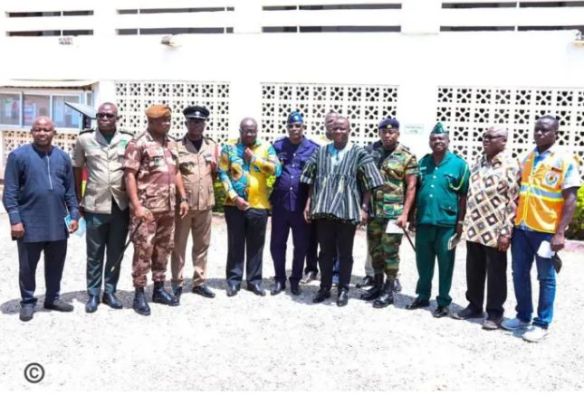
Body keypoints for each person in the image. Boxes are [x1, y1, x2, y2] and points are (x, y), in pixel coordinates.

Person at [501, 116, 581, 342]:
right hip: (522, 228)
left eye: (544, 130)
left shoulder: (564, 160)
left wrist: (560, 232)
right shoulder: (528, 157)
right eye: (536, 129)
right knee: (519, 273)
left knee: (546, 278)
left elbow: (571, 199)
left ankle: (542, 323)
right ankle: (523, 316)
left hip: (546, 231)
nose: (539, 133)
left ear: (556, 133)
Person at [3, 116, 79, 322]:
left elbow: (70, 191)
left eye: (46, 130)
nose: (42, 133)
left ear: (54, 132)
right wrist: (15, 220)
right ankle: (28, 302)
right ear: (32, 132)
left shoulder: (63, 157)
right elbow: (9, 192)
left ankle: (53, 298)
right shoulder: (18, 156)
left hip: (58, 222)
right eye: (38, 129)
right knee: (28, 266)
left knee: (56, 264)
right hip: (29, 223)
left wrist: (73, 215)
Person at [301, 116, 383, 307]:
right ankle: (324, 287)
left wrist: (364, 207)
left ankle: (343, 289)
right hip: (324, 210)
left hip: (348, 210)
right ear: (330, 130)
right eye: (336, 128)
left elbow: (370, 182)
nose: (338, 131)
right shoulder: (321, 151)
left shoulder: (359, 153)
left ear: (349, 130)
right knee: (325, 252)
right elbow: (310, 178)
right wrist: (309, 203)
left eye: (342, 128)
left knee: (345, 253)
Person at [452, 126, 520, 330]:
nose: (486, 140)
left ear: (504, 141)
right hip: (475, 227)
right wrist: (463, 222)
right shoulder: (479, 162)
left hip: (495, 230)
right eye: (485, 136)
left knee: (496, 272)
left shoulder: (511, 166)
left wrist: (506, 232)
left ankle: (495, 312)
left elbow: (513, 201)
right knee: (473, 268)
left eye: (492, 137)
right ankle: (474, 305)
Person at [124, 104, 189, 315]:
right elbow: (129, 175)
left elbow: (176, 171)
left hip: (168, 208)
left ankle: (159, 288)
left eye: (169, 120)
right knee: (143, 250)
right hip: (147, 210)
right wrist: (136, 206)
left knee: (164, 248)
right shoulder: (138, 143)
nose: (167, 123)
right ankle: (139, 293)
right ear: (151, 121)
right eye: (163, 120)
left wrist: (183, 198)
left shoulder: (171, 143)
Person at [73, 102, 133, 313]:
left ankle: (110, 291)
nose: (105, 118)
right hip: (95, 204)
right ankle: (93, 293)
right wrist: (78, 199)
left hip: (120, 204)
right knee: (94, 253)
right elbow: (77, 168)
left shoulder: (128, 139)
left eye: (109, 115)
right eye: (101, 115)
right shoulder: (84, 139)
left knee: (116, 252)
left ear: (117, 118)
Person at [407, 122, 469, 318]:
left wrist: (460, 223)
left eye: (441, 138)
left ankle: (443, 302)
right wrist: (411, 216)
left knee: (446, 264)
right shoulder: (423, 163)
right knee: (423, 262)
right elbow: (415, 190)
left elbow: (463, 196)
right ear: (429, 141)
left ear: (448, 141)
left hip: (447, 223)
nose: (437, 141)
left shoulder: (459, 165)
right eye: (434, 139)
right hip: (424, 221)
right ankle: (422, 296)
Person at [218, 117, 281, 297]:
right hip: (234, 205)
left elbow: (277, 170)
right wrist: (234, 196)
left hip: (258, 205)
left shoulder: (266, 148)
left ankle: (254, 282)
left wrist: (255, 160)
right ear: (240, 131)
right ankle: (234, 281)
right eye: (246, 131)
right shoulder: (229, 147)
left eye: (252, 131)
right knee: (235, 243)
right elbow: (222, 173)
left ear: (257, 131)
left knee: (256, 245)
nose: (249, 134)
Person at [362, 118, 417, 308]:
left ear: (398, 134)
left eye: (391, 132)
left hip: (394, 214)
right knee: (375, 249)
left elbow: (411, 187)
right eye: (384, 132)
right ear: (379, 133)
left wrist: (405, 214)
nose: (387, 135)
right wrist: (364, 207)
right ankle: (377, 285)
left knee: (390, 252)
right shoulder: (371, 153)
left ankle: (389, 289)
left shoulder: (406, 156)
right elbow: (367, 181)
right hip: (375, 211)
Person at [170, 106, 220, 302]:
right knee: (179, 245)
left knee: (202, 245)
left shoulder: (211, 146)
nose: (196, 125)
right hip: (184, 205)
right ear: (186, 123)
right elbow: (174, 173)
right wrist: (182, 197)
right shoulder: (176, 146)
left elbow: (214, 174)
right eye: (192, 121)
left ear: (205, 124)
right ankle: (177, 283)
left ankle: (199, 282)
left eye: (199, 121)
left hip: (205, 204)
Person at [270, 111, 319, 296]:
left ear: (303, 127)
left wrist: (310, 204)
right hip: (281, 205)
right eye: (290, 126)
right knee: (277, 244)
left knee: (300, 246)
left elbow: (316, 178)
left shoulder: (313, 149)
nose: (294, 129)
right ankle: (279, 279)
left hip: (301, 206)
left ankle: (295, 280)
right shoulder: (278, 146)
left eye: (297, 126)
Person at [301, 111, 341, 285]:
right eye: (330, 121)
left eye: (336, 121)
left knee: (335, 238)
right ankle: (311, 269)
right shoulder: (315, 144)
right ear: (325, 124)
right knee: (311, 237)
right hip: (317, 197)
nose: (333, 124)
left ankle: (334, 272)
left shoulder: (344, 144)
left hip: (336, 200)